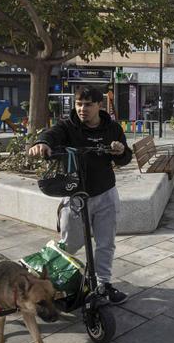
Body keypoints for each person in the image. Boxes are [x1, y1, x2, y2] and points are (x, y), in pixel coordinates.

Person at [28, 86, 130, 303]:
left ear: (99, 106)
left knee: (105, 243)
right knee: (69, 244)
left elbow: (125, 157)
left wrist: (121, 151)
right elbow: (52, 134)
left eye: (88, 104)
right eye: (79, 104)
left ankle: (103, 284)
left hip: (105, 193)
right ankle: (51, 279)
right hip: (75, 195)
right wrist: (42, 142)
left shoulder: (112, 128)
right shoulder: (68, 126)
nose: (83, 109)